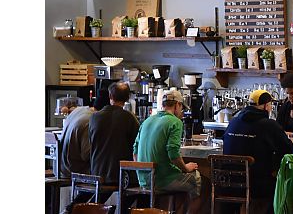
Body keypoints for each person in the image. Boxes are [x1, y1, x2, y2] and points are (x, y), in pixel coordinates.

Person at [222, 90, 293, 214]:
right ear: (266, 106)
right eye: (270, 104)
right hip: (255, 185)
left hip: (228, 182)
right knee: (283, 187)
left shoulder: (234, 121)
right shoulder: (269, 125)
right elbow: (287, 149)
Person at [133, 90, 201, 211]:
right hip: (161, 180)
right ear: (177, 105)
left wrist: (143, 170)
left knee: (184, 181)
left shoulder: (147, 120)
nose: (182, 113)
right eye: (182, 109)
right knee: (197, 179)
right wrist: (185, 168)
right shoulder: (175, 122)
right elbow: (173, 153)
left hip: (143, 180)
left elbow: (135, 152)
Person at [89, 81, 140, 209]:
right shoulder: (130, 118)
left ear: (110, 96)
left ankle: (93, 208)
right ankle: (120, 210)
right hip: (121, 175)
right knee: (143, 187)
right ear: (128, 98)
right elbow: (137, 146)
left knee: (100, 197)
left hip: (97, 171)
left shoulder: (94, 117)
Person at [60, 101, 95, 213]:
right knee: (105, 175)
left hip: (62, 164)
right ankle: (74, 209)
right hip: (73, 167)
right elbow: (86, 155)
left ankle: (73, 209)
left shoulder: (79, 110)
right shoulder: (90, 119)